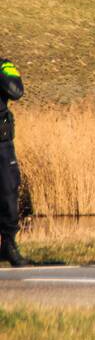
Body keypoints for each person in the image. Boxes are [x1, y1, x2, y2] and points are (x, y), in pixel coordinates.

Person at [0, 57, 26, 267]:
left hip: (2, 145)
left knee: (9, 192)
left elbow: (17, 91)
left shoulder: (4, 66)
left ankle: (8, 244)